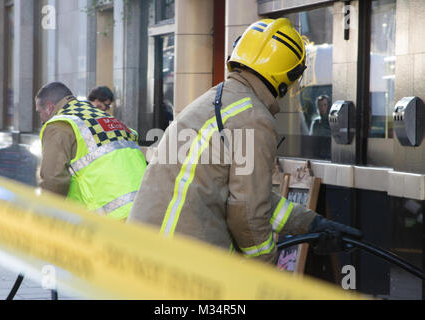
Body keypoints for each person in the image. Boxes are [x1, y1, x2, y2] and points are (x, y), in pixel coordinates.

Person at [127, 18, 362, 264]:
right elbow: (246, 212)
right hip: (182, 265)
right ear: (285, 76)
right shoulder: (252, 117)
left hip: (146, 254)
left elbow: (250, 197)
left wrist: (312, 224)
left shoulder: (215, 102)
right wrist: (262, 270)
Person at [35, 82, 147, 220]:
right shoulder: (103, 117)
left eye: (39, 112)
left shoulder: (59, 125)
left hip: (110, 219)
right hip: (144, 210)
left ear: (49, 107)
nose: (41, 120)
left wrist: (43, 218)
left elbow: (54, 181)